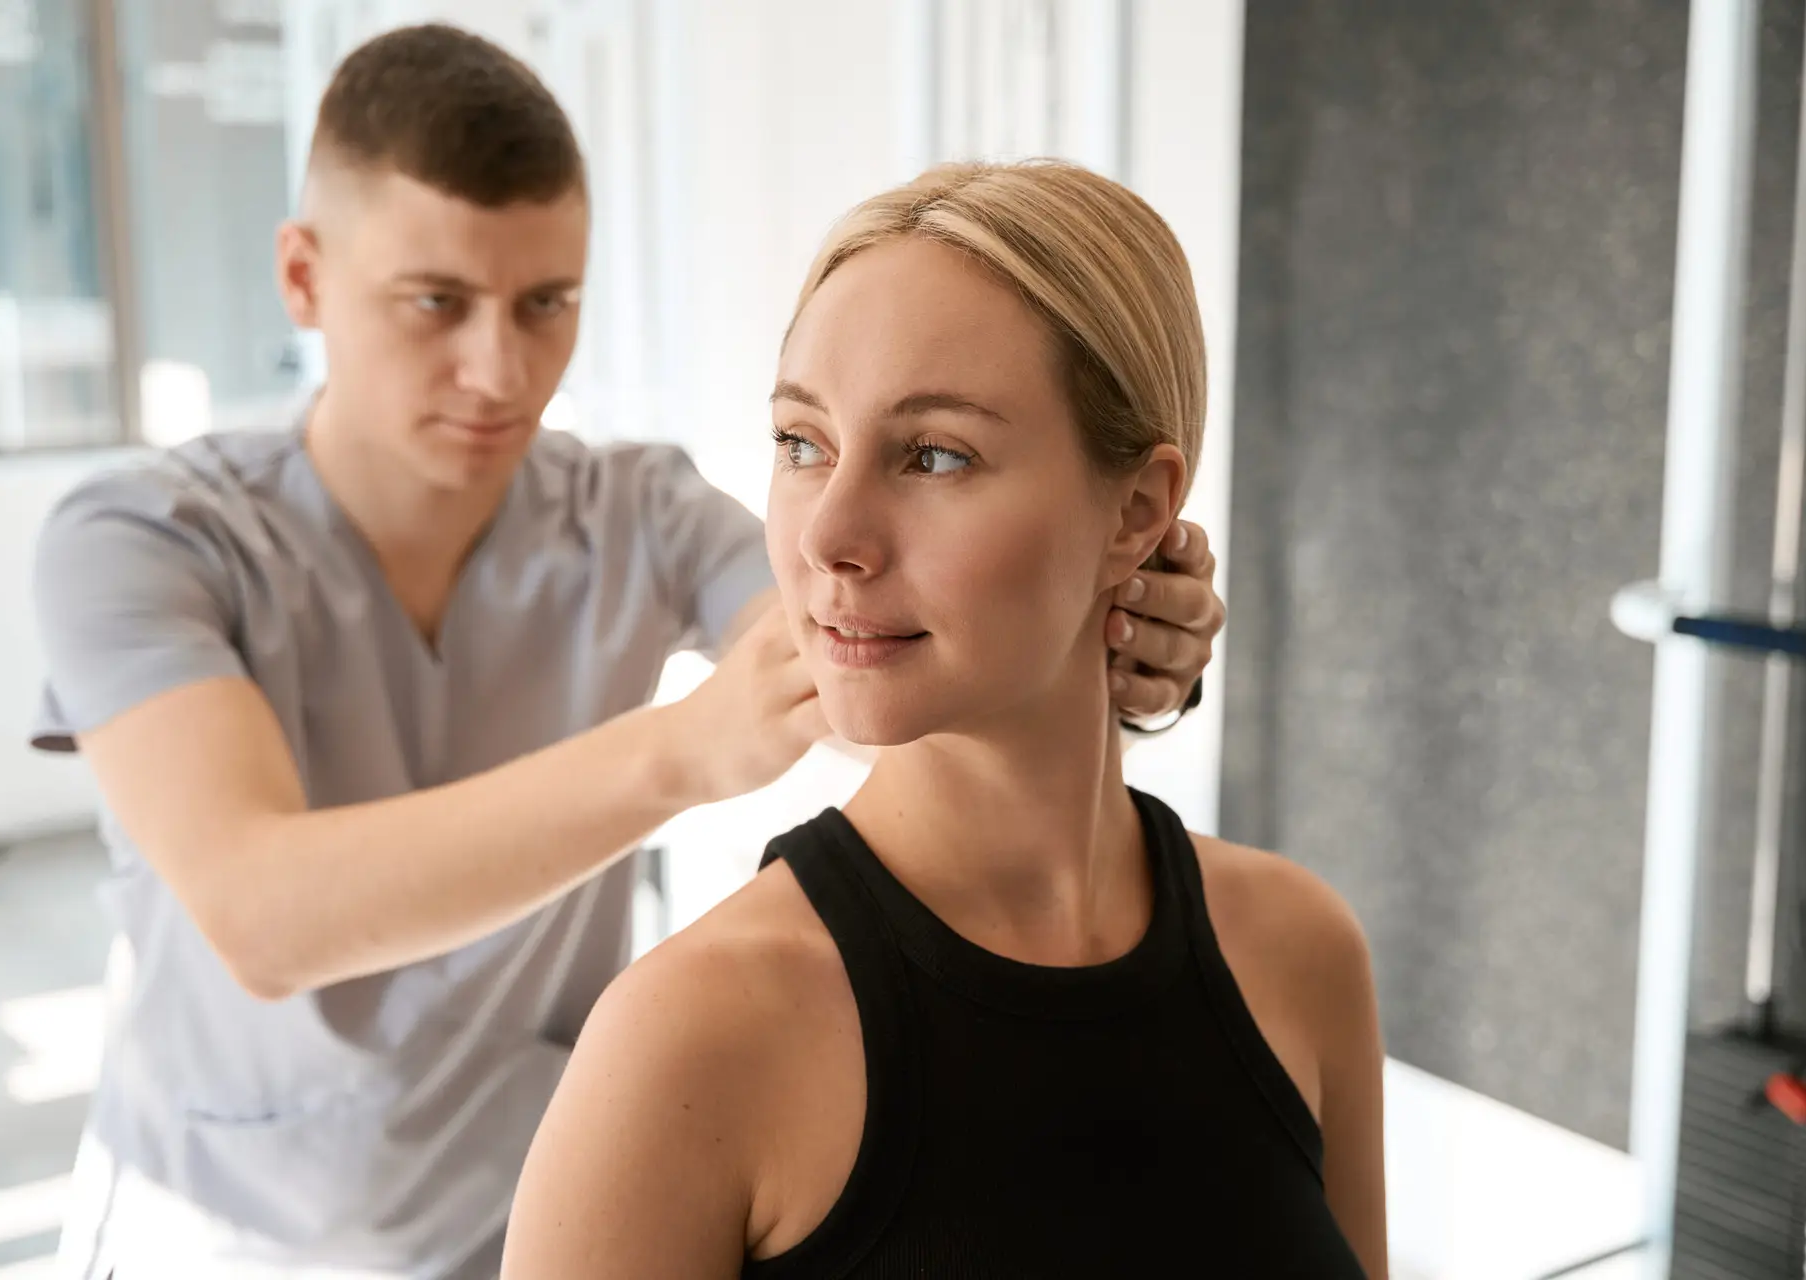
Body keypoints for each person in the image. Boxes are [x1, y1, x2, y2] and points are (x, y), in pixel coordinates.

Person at [29, 25, 1224, 1280]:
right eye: (437, 302)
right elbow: (261, 914)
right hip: (225, 1235)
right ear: (303, 277)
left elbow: (849, 622)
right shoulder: (142, 539)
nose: (501, 369)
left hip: (529, 1218)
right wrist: (688, 748)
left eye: (547, 304)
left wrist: (1119, 612)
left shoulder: (632, 512)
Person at [500, 159, 1387, 1280]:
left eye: (934, 455)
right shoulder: (689, 1044)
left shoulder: (1301, 952)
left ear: (1139, 510)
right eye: (800, 442)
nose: (829, 534)